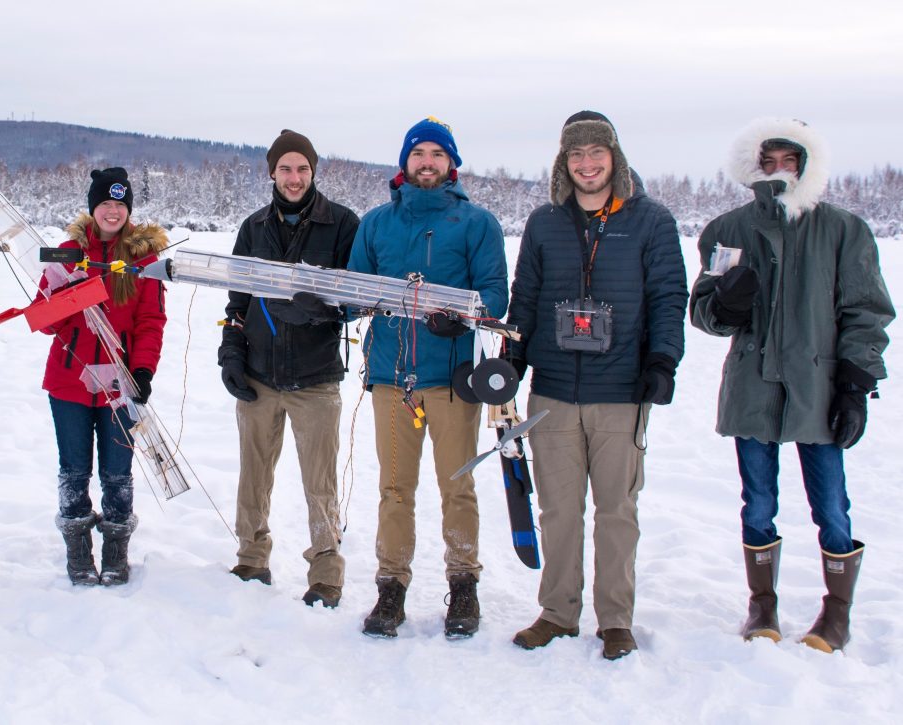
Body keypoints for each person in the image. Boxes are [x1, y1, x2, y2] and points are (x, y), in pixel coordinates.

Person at [689, 118, 893, 653]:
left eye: (789, 161)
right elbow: (705, 314)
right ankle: (763, 605)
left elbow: (866, 311)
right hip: (753, 386)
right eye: (769, 161)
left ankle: (837, 610)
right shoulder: (726, 231)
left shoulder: (843, 229)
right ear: (753, 166)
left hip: (818, 387)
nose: (779, 170)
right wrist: (726, 304)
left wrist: (855, 380)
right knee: (757, 503)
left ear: (806, 166)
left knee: (831, 505)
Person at [506, 111, 687, 660]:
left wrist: (663, 361)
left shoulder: (651, 221)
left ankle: (615, 620)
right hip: (554, 391)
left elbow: (668, 296)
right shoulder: (544, 222)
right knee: (559, 511)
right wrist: (512, 358)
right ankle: (558, 612)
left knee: (617, 511)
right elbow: (526, 297)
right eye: (576, 155)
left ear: (615, 156)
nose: (587, 164)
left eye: (596, 153)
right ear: (564, 161)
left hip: (621, 392)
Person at [348, 117, 508, 638]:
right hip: (393, 377)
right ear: (405, 162)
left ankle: (464, 585)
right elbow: (354, 293)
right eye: (419, 154)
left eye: (438, 155)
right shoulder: (375, 223)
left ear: (452, 165)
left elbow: (494, 297)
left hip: (452, 379)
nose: (428, 163)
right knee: (395, 489)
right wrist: (324, 302)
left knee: (457, 486)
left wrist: (459, 317)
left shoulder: (476, 224)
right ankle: (390, 589)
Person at [218, 130, 360, 608]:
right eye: (285, 169)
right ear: (271, 173)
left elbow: (357, 300)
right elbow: (236, 301)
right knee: (253, 475)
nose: (294, 178)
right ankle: (251, 558)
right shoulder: (254, 227)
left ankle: (325, 571)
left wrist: (322, 312)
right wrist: (231, 354)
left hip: (315, 378)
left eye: (302, 169)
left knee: (319, 482)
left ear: (314, 171)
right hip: (259, 374)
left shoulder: (341, 224)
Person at [38, 168, 168, 587]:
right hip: (69, 382)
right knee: (74, 469)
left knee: (117, 469)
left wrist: (144, 369)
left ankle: (115, 546)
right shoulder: (67, 251)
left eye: (120, 204)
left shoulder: (143, 261)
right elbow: (44, 321)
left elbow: (151, 321)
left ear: (128, 210)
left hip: (119, 383)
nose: (112, 211)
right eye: (105, 204)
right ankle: (77, 548)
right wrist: (67, 288)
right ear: (93, 208)